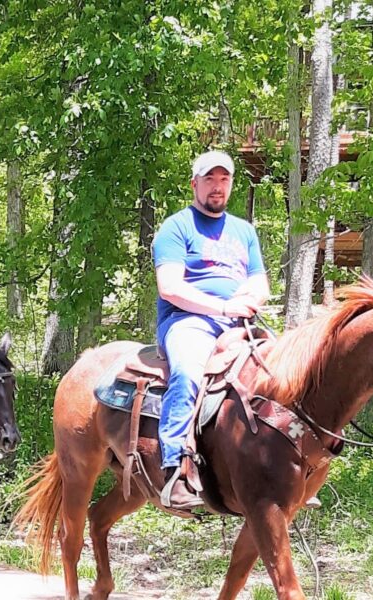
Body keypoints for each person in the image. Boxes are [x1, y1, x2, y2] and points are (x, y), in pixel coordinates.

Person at [152, 150, 269, 510]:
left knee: (283, 375)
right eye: (210, 180)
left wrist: (249, 299)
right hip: (189, 321)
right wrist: (222, 306)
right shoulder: (176, 227)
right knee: (188, 374)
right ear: (195, 184)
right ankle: (175, 467)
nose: (217, 187)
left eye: (224, 180)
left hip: (238, 323)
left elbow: (260, 282)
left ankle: (289, 467)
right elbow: (169, 286)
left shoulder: (244, 231)